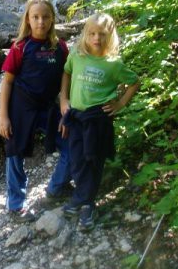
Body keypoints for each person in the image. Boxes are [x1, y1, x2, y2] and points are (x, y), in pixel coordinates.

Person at [60, 12, 140, 231]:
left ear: (110, 35)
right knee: (77, 160)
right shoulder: (77, 54)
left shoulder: (113, 64)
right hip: (76, 117)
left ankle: (86, 204)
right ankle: (82, 197)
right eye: (92, 33)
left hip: (98, 120)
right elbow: (66, 73)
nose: (97, 38)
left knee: (93, 161)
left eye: (102, 34)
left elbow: (134, 82)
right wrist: (64, 99)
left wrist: (120, 103)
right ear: (85, 34)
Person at [0, 0, 70, 220]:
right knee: (15, 152)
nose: (40, 22)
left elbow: (64, 81)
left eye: (45, 17)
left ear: (52, 20)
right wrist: (3, 117)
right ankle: (15, 205)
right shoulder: (20, 47)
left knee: (69, 143)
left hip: (48, 107)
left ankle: (55, 189)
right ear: (28, 20)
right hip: (21, 106)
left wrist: (64, 106)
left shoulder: (61, 48)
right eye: (35, 17)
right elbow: (7, 82)